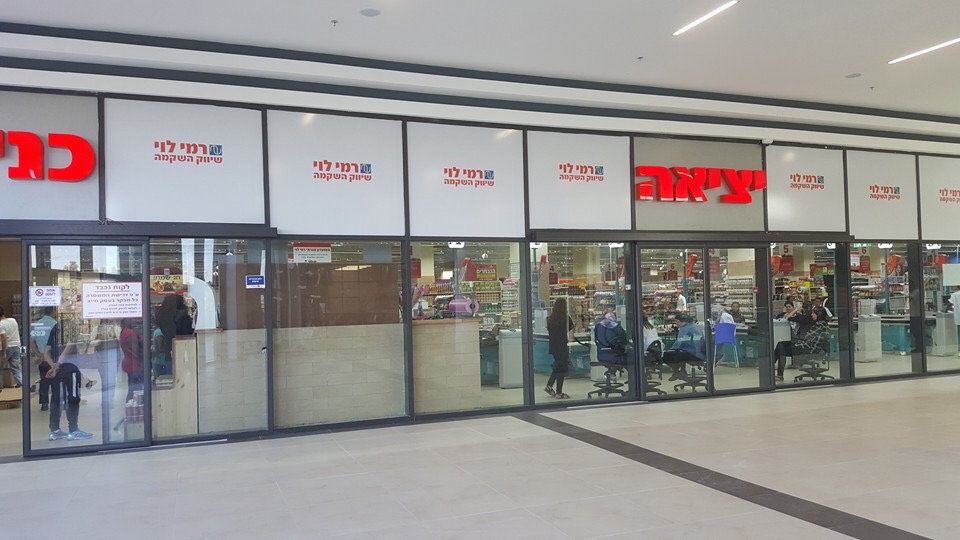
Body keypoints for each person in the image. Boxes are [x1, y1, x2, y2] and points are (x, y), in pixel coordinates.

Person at [35, 310, 92, 441]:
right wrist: (57, 365)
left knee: (56, 399)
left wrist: (52, 365)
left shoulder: (54, 330)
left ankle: (54, 430)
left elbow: (46, 350)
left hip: (57, 370)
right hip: (70, 368)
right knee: (73, 397)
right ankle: (73, 430)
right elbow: (70, 345)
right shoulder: (71, 328)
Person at [544, 297, 574, 399]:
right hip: (562, 346)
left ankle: (549, 386)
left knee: (558, 366)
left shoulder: (549, 319)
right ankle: (559, 392)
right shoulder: (567, 319)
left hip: (553, 346)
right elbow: (571, 337)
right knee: (561, 369)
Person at [30, 307, 59, 411]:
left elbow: (31, 341)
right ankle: (55, 403)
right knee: (55, 381)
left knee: (44, 380)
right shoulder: (55, 324)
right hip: (53, 357)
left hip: (42, 358)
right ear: (53, 311)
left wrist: (38, 354)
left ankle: (44, 403)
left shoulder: (37, 324)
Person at [663, 314, 705, 380]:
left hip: (693, 354)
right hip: (701, 354)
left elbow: (678, 344)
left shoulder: (684, 329)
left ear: (684, 322)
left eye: (677, 321)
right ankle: (682, 371)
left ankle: (676, 372)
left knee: (665, 355)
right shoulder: (698, 326)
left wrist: (669, 350)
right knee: (681, 352)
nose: (676, 323)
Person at [119, 318, 144, 401]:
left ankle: (131, 404)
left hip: (130, 362)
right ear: (127, 321)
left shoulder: (125, 331)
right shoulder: (130, 333)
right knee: (136, 390)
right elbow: (135, 350)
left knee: (132, 388)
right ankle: (133, 405)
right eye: (132, 319)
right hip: (134, 364)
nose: (135, 321)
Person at [0, 307, 23, 388]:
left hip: (7, 347)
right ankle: (21, 382)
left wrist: (4, 353)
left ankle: (0, 385)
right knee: (15, 367)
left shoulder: (1, 324)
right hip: (16, 345)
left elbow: (4, 338)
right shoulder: (13, 320)